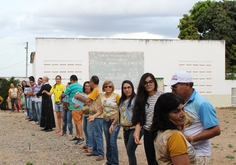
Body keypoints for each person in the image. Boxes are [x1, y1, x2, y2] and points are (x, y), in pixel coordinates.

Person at [166, 71, 220, 165]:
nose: (172, 91)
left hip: (198, 155)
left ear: (187, 85)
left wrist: (191, 139)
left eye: (175, 88)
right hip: (182, 152)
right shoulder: (179, 102)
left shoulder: (202, 104)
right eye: (172, 88)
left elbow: (215, 130)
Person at [150, 93, 196, 165]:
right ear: (165, 115)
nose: (183, 114)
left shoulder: (161, 131)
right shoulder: (175, 137)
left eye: (183, 109)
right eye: (176, 112)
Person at [132, 73, 164, 165]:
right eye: (145, 83)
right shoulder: (140, 99)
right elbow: (139, 118)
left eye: (150, 81)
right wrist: (137, 133)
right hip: (148, 133)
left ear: (154, 82)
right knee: (151, 160)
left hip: (161, 133)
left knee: (160, 160)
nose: (148, 84)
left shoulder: (163, 96)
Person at [109, 80, 144, 165]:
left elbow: (140, 116)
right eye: (124, 88)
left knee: (130, 151)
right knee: (129, 152)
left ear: (132, 88)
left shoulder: (136, 100)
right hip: (126, 129)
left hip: (134, 128)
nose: (127, 90)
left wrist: (137, 131)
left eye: (129, 87)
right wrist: (113, 124)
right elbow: (119, 114)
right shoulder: (122, 100)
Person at [90, 81, 120, 164]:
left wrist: (114, 123)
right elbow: (100, 111)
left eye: (110, 86)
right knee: (108, 143)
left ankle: (115, 162)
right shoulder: (101, 97)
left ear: (112, 87)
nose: (108, 88)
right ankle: (109, 161)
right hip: (106, 121)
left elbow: (120, 110)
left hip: (115, 120)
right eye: (106, 86)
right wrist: (94, 116)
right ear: (103, 87)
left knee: (113, 142)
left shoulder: (116, 96)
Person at [75, 75, 104, 161]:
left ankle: (101, 153)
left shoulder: (96, 90)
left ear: (92, 82)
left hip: (97, 115)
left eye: (90, 83)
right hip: (94, 115)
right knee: (95, 134)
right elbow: (90, 102)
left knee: (98, 135)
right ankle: (95, 151)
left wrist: (79, 97)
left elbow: (87, 100)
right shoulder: (98, 90)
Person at [61, 75, 83, 144]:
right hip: (80, 106)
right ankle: (78, 136)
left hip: (74, 107)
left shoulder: (71, 86)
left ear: (72, 80)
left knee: (78, 122)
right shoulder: (80, 86)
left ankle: (81, 137)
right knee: (77, 122)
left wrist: (61, 95)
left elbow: (64, 95)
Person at [80, 81, 93, 153]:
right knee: (85, 129)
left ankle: (91, 146)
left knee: (89, 131)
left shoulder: (92, 94)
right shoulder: (83, 94)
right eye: (86, 86)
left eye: (88, 86)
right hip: (84, 114)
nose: (87, 87)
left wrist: (86, 103)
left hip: (90, 115)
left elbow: (91, 103)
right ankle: (87, 143)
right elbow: (80, 102)